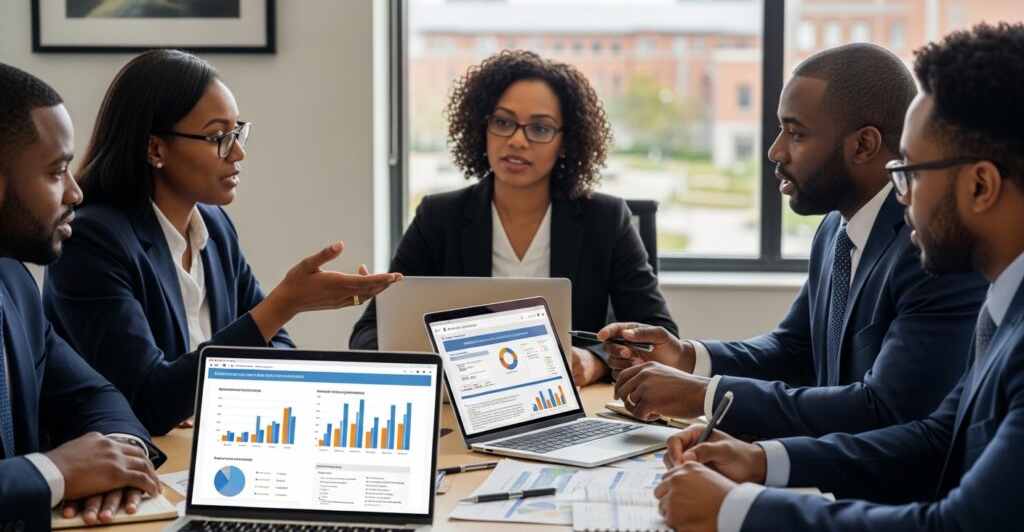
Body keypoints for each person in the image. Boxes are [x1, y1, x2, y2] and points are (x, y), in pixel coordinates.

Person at [654, 22, 1024, 532]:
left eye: (911, 172)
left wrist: (738, 510)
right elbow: (937, 440)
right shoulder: (1002, 307)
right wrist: (760, 460)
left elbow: (962, 524)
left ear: (981, 185)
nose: (901, 195)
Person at [602, 43, 987, 438]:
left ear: (864, 145)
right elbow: (795, 350)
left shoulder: (932, 248)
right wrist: (687, 357)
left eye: (796, 133)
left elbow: (885, 410)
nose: (775, 150)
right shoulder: (835, 230)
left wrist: (705, 396)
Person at [42, 50, 401, 436]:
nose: (239, 152)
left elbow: (277, 347)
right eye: (218, 137)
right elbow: (148, 402)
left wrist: (218, 390)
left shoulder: (213, 225)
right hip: (128, 471)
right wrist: (284, 304)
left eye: (237, 132)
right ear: (155, 149)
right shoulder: (92, 242)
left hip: (205, 447)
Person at [349, 50, 676, 386]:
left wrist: (595, 361)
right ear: (483, 127)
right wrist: (434, 371)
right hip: (465, 409)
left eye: (539, 128)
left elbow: (657, 334)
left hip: (566, 405)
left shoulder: (606, 219)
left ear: (566, 142)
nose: (517, 140)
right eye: (503, 122)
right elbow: (369, 333)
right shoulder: (439, 217)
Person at [0, 62, 166, 530]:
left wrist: (121, 456)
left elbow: (93, 395)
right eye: (57, 172)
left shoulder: (13, 282)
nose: (75, 192)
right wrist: (55, 472)